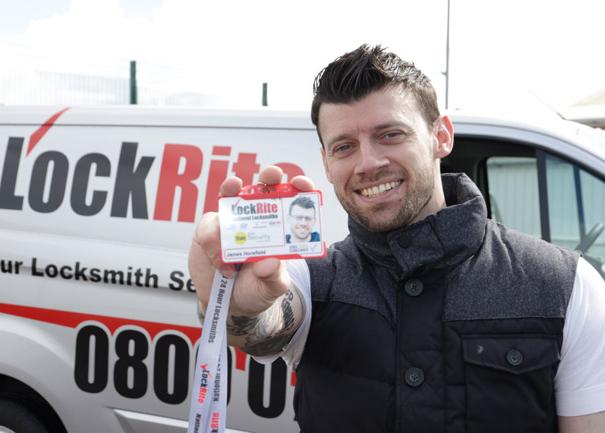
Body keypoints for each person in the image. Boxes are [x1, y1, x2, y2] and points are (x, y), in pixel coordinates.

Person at [189, 45, 605, 432]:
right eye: (345, 146)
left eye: (390, 134)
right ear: (327, 162)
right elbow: (262, 329)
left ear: (441, 136)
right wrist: (231, 304)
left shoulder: (567, 285)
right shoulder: (309, 277)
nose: (368, 163)